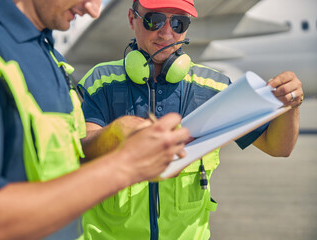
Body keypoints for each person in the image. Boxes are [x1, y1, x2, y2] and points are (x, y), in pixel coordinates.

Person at [0, 0, 191, 239]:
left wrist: (113, 135)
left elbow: (65, 162)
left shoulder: (49, 54)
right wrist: (125, 165)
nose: (93, 10)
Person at [77, 0, 304, 239]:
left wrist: (291, 105)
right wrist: (118, 134)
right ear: (132, 19)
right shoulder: (101, 81)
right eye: (153, 20)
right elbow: (81, 150)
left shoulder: (214, 88)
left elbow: (278, 147)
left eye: (178, 22)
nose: (166, 33)